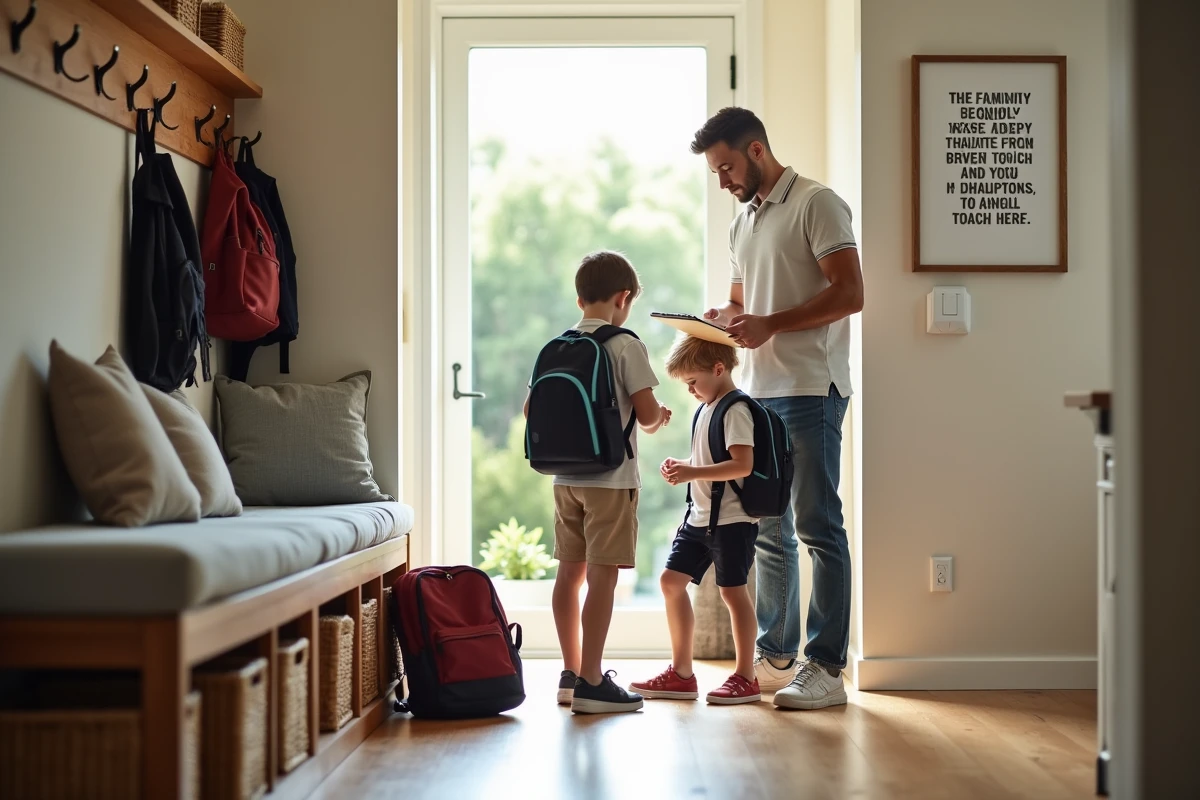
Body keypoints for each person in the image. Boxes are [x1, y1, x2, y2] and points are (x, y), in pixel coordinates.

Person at [691, 107, 864, 710]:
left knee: (818, 526)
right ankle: (777, 656)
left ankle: (825, 668)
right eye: (716, 172)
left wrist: (769, 324)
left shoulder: (818, 203)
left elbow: (850, 293)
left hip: (812, 388)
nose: (723, 181)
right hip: (759, 394)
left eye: (727, 167)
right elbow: (744, 303)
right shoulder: (743, 221)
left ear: (757, 150)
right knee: (769, 527)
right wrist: (721, 320)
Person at [524, 250, 672, 714]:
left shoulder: (558, 345)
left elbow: (530, 411)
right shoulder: (626, 345)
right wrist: (660, 417)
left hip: (563, 478)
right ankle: (592, 681)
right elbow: (646, 417)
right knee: (603, 580)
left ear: (579, 297)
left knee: (569, 576)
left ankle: (569, 674)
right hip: (610, 479)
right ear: (623, 298)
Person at [630, 335, 762, 705]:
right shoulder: (705, 408)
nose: (689, 390)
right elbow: (707, 462)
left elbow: (743, 465)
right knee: (671, 582)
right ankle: (682, 674)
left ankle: (745, 677)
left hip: (732, 521)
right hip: (699, 518)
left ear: (719, 369)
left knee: (733, 593)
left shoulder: (735, 409)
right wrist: (685, 467)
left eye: (693, 381)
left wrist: (691, 472)